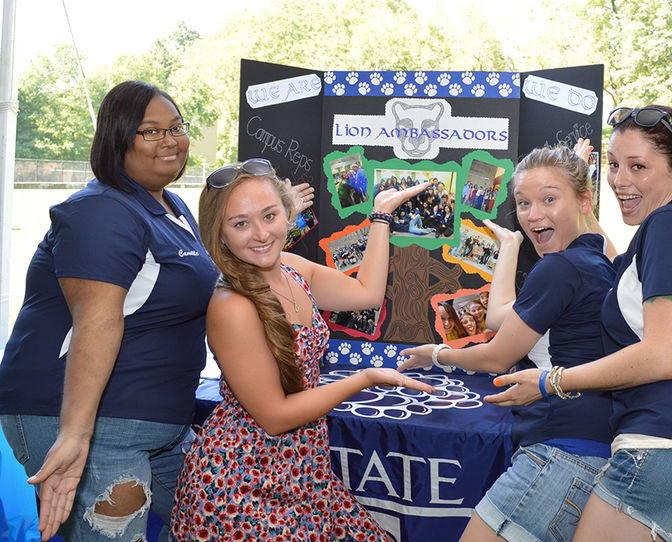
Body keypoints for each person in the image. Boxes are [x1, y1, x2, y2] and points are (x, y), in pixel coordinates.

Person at [486, 106, 672, 542]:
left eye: (638, 167)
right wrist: (573, 190)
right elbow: (610, 260)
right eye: (615, 166)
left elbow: (662, 356)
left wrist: (549, 382)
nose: (620, 181)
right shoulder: (664, 229)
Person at [0, 81, 219, 541]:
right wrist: (76, 437)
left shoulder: (172, 205)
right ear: (117, 139)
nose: (170, 141)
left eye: (176, 127)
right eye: (150, 131)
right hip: (91, 421)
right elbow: (97, 320)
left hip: (159, 423)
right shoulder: (100, 209)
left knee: (219, 520)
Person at [170, 160, 435, 540]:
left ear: (287, 214)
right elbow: (276, 416)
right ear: (221, 234)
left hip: (303, 472)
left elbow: (367, 294)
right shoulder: (233, 305)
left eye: (269, 215)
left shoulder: (293, 268)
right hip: (241, 485)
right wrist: (366, 378)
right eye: (240, 223)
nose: (261, 234)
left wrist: (380, 215)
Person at [398, 145, 616, 542]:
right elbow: (500, 316)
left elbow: (499, 357)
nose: (534, 214)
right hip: (593, 451)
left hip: (560, 455)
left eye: (549, 199)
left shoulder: (560, 267)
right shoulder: (595, 261)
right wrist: (512, 246)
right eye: (523, 203)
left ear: (584, 200)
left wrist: (436, 354)